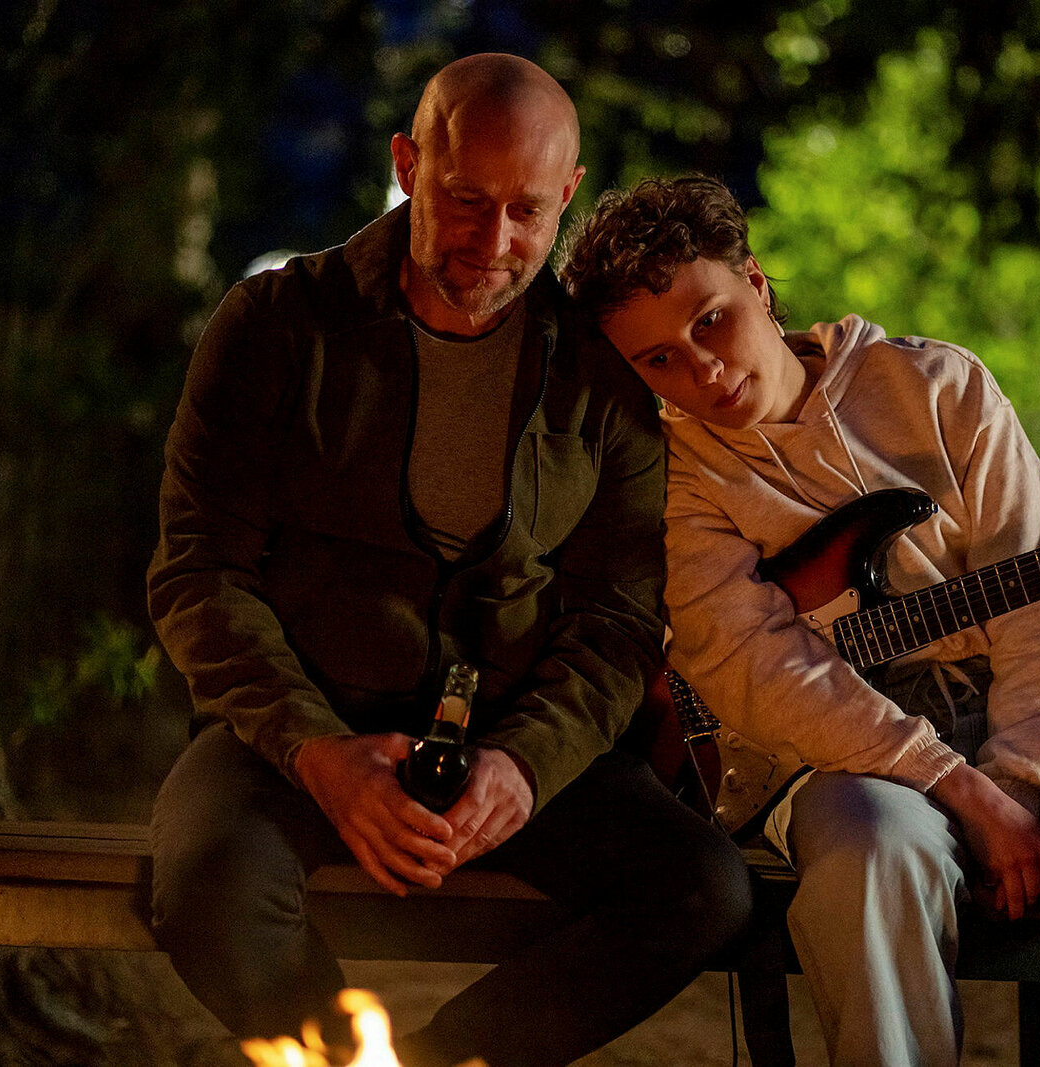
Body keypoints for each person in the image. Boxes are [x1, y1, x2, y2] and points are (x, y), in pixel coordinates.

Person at [559, 175, 1040, 1066]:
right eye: (657, 360)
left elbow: (1037, 605)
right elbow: (756, 668)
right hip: (833, 751)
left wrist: (1017, 779)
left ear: (756, 283)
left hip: (1024, 712)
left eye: (712, 321)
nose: (703, 370)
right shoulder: (676, 476)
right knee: (870, 867)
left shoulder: (940, 387)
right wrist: (958, 786)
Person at [146, 61, 752, 1067]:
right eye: (466, 200)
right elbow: (199, 574)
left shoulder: (601, 375)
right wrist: (315, 749)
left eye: (527, 211)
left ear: (568, 194)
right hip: (298, 729)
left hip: (508, 736)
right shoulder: (276, 326)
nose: (493, 240)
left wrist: (527, 764)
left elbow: (617, 616)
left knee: (703, 888)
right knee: (207, 883)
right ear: (408, 164)